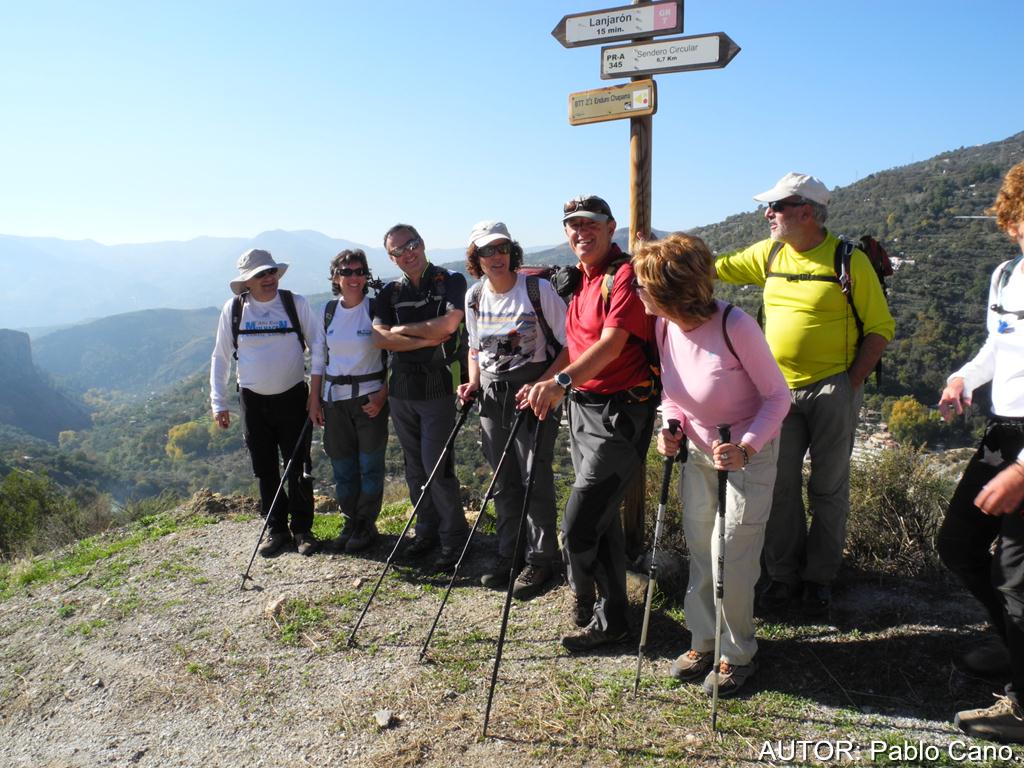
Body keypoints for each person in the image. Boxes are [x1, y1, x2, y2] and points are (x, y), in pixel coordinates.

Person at [714, 172, 895, 616]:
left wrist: (849, 383)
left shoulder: (847, 260)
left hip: (833, 388)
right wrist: (655, 251)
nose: (767, 214)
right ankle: (782, 578)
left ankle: (819, 579)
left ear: (806, 212)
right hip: (777, 394)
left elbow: (880, 329)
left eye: (776, 207)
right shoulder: (769, 253)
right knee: (778, 486)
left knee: (828, 489)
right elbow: (713, 268)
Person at [633, 232, 789, 697]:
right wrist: (672, 424)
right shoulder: (664, 327)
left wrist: (747, 446)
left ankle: (737, 654)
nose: (636, 292)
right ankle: (704, 638)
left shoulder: (735, 326)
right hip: (699, 452)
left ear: (670, 290)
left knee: (731, 558)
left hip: (744, 456)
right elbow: (673, 393)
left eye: (643, 285)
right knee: (702, 550)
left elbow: (778, 397)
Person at [524, 194, 658, 652]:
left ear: (611, 226)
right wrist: (545, 381)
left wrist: (558, 382)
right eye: (572, 226)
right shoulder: (582, 282)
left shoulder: (624, 277)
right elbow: (577, 347)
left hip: (621, 414)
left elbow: (614, 344)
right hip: (584, 409)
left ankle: (585, 597)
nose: (581, 232)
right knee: (599, 521)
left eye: (590, 224)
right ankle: (612, 616)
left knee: (579, 523)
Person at [938, 161, 1024, 743]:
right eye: (1017, 217)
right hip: (1004, 432)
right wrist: (963, 377)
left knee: (1018, 576)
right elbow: (996, 348)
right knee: (959, 544)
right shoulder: (1005, 275)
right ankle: (1017, 649)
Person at [457, 221, 566, 600]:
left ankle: (540, 558)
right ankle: (510, 552)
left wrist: (546, 385)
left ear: (511, 251)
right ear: (476, 258)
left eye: (502, 248)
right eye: (487, 251)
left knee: (534, 475)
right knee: (503, 478)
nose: (496, 256)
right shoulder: (474, 297)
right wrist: (472, 381)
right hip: (490, 394)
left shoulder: (537, 291)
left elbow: (571, 346)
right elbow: (474, 348)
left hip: (531, 392)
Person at [210, 248, 325, 557]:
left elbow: (318, 345)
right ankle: (276, 528)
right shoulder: (233, 310)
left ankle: (302, 528)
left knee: (298, 465)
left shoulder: (294, 304)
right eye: (261, 274)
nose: (269, 278)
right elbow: (220, 357)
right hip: (251, 399)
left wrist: (315, 397)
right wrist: (218, 403)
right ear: (247, 281)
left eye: (271, 271)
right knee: (264, 468)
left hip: (293, 397)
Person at [372, 224, 469, 571]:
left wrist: (401, 331)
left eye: (410, 245)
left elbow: (448, 325)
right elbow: (379, 338)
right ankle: (425, 532)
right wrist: (421, 338)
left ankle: (454, 539)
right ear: (391, 257)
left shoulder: (450, 280)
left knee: (436, 466)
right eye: (398, 251)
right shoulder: (389, 292)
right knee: (415, 469)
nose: (407, 253)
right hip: (401, 391)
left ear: (422, 243)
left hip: (438, 387)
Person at [310, 249, 388, 554]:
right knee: (342, 467)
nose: (354, 277)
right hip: (335, 400)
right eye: (347, 272)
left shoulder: (375, 309)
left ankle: (366, 523)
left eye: (360, 272)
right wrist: (314, 400)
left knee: (370, 466)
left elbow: (393, 354)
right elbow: (319, 359)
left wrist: (383, 395)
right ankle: (350, 520)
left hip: (369, 398)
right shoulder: (327, 311)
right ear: (335, 277)